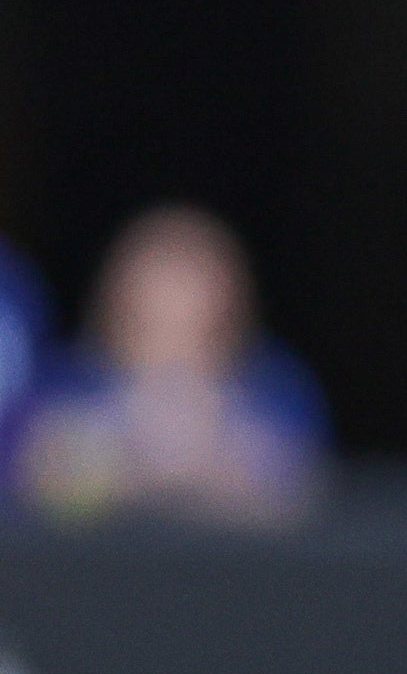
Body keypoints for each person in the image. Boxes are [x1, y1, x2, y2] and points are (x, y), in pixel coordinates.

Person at [13, 204, 325, 527]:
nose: (172, 356)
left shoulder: (277, 390)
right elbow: (35, 485)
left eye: (196, 332)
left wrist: (212, 460)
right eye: (152, 326)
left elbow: (302, 498)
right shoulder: (67, 385)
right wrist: (131, 461)